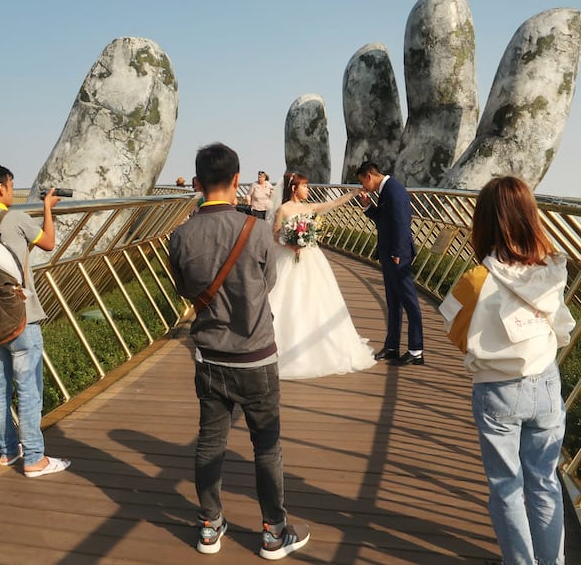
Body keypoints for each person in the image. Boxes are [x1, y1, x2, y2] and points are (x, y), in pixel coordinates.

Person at [168, 143, 310, 559]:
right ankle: (273, 532)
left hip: (210, 356)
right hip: (256, 355)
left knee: (209, 442)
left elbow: (184, 289)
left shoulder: (180, 236)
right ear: (237, 181)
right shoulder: (256, 230)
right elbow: (268, 283)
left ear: (197, 183)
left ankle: (210, 527)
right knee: (266, 446)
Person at [439, 176, 574, 564]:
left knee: (507, 487)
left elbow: (452, 326)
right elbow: (561, 323)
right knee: (545, 482)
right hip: (546, 382)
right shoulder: (551, 268)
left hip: (498, 390)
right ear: (530, 217)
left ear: (485, 222)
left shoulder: (477, 279)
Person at [0, 164, 71, 478]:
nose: (12, 190)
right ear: (1, 188)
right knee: (28, 389)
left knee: (0, 386)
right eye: (11, 185)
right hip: (21, 317)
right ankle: (35, 459)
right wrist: (47, 209)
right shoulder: (15, 218)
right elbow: (49, 243)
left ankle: (9, 451)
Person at [268, 172, 375, 379]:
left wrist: (352, 194)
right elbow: (274, 233)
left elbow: (332, 204)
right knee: (288, 299)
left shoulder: (310, 207)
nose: (308, 190)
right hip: (288, 257)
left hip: (310, 258)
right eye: (304, 186)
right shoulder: (283, 209)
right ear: (293, 188)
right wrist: (288, 243)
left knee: (316, 298)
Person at [357, 161, 424, 365]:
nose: (363, 187)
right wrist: (368, 206)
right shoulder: (386, 191)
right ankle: (392, 346)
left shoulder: (394, 190)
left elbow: (402, 223)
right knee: (393, 302)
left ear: (369, 176)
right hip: (390, 254)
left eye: (362, 182)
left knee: (409, 302)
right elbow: (385, 221)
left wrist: (398, 252)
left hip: (398, 255)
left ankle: (416, 350)